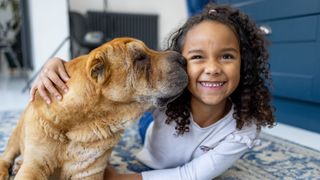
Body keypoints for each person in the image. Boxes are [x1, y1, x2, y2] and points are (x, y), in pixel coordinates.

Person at [30, 3, 275, 180]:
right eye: (198, 56)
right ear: (182, 63)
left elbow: (191, 174)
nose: (212, 68)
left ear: (246, 62)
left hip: (162, 127)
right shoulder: (167, 95)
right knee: (121, 109)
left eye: (227, 56)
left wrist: (122, 179)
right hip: (150, 123)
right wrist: (58, 64)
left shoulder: (245, 128)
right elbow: (97, 88)